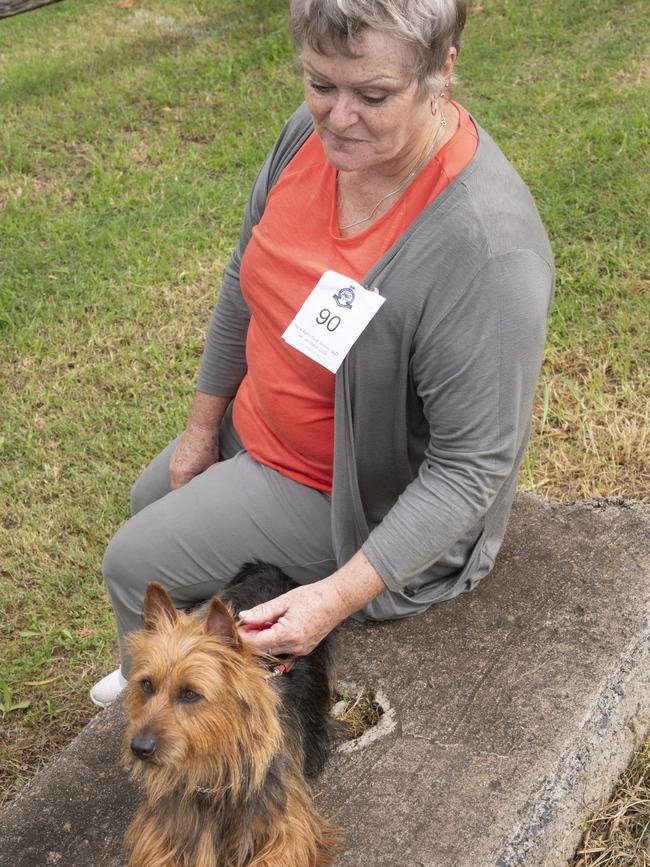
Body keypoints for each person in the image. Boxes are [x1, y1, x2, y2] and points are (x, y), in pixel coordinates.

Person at [91, 0, 554, 707]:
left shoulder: (486, 249)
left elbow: (472, 468)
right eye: (320, 85)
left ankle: (161, 710)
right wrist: (199, 429)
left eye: (372, 94)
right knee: (149, 499)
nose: (338, 117)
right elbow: (245, 273)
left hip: (349, 491)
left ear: (443, 69)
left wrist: (331, 600)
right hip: (265, 424)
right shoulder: (308, 141)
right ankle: (189, 673)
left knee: (133, 562)